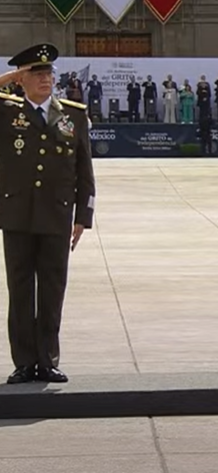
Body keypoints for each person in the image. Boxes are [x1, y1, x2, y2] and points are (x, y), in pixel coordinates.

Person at [0, 43, 96, 384]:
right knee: (21, 290)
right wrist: (5, 79)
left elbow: (84, 170)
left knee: (53, 289)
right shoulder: (8, 112)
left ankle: (48, 360)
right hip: (17, 215)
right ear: (22, 79)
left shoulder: (72, 114)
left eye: (48, 73)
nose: (45, 79)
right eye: (36, 74)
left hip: (57, 216)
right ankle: (24, 362)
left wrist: (83, 217)